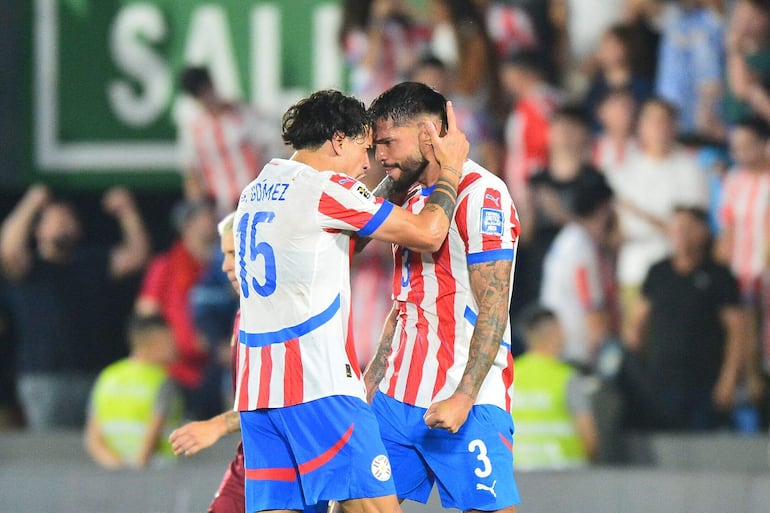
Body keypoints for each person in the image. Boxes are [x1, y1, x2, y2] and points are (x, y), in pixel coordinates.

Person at [234, 89, 468, 513]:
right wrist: (450, 168)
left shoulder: (257, 189)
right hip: (318, 385)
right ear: (338, 140)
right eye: (363, 147)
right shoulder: (326, 189)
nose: (368, 163)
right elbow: (429, 233)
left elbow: (339, 243)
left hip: (258, 394)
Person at [364, 82, 520, 512]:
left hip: (464, 401)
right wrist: (373, 380)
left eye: (389, 142)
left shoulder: (482, 194)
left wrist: (465, 397)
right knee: (353, 506)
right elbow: (404, 301)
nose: (381, 156)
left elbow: (494, 306)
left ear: (430, 134)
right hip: (396, 399)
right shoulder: (408, 197)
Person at [0, 185, 150, 430]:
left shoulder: (91, 263)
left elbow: (136, 255)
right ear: (38, 230)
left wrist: (127, 212)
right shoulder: (30, 268)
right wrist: (31, 203)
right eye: (56, 220)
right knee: (50, 453)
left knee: (94, 451)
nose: (64, 224)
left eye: (68, 219)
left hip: (92, 375)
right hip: (44, 377)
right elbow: (8, 249)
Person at [624, 207, 744, 430]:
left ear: (704, 232)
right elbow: (637, 326)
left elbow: (737, 332)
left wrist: (728, 379)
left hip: (705, 381)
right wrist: (638, 374)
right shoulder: (658, 272)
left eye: (687, 228)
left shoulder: (720, 276)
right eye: (676, 228)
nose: (680, 234)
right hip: (662, 380)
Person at [608, 97, 709, 332]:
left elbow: (692, 228)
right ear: (641, 126)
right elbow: (620, 227)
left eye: (664, 121)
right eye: (651, 121)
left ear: (674, 126)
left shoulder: (691, 170)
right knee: (636, 337)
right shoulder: (626, 170)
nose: (658, 128)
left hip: (677, 269)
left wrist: (640, 214)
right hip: (634, 268)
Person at [169, 212, 245, 513]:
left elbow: (288, 401)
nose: (225, 265)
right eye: (224, 253)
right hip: (253, 458)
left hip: (296, 462)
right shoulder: (243, 314)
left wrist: (218, 425)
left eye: (234, 254)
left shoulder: (284, 315)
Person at [135, 199, 220, 420]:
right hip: (174, 373)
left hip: (218, 371)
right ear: (187, 225)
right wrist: (172, 344)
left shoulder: (225, 268)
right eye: (205, 217)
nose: (213, 222)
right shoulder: (165, 266)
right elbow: (146, 317)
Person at [178, 66, 282, 216]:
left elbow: (277, 142)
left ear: (212, 85)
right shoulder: (193, 129)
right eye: (199, 95)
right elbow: (191, 174)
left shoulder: (243, 115)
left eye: (207, 90)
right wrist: (202, 209)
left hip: (259, 200)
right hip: (222, 210)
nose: (206, 97)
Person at [540, 174, 618, 370]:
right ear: (603, 209)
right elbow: (590, 305)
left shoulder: (568, 238)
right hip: (574, 352)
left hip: (559, 342)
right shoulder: (581, 247)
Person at [84, 313, 182, 469]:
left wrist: (116, 467)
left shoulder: (108, 377)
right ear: (154, 343)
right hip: (157, 473)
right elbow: (152, 436)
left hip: (115, 474)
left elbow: (93, 438)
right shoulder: (161, 382)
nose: (175, 346)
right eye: (170, 340)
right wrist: (136, 472)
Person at [511, 306, 599, 471]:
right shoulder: (567, 378)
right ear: (555, 332)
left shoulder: (509, 374)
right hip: (565, 473)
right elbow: (589, 438)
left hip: (517, 473)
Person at [654, 0, 724, 138]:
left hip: (708, 109)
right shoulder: (672, 14)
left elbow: (718, 8)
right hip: (670, 106)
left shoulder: (713, 16)